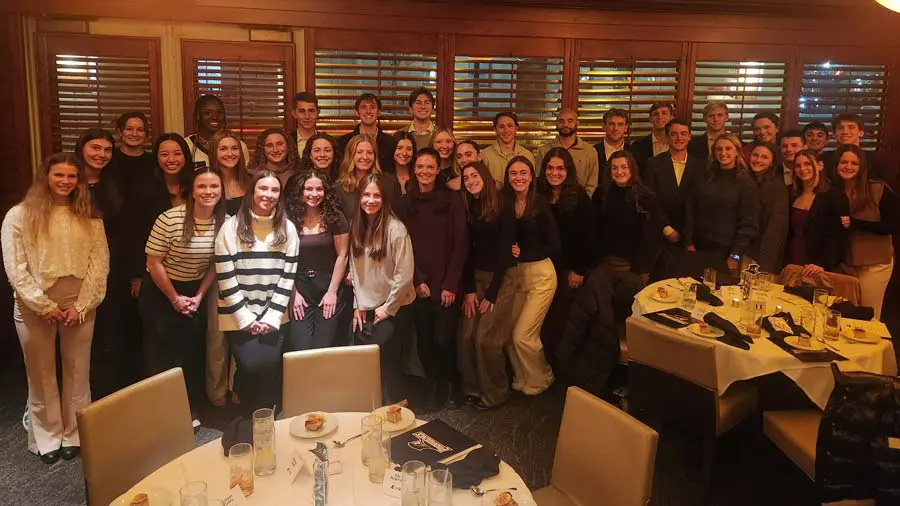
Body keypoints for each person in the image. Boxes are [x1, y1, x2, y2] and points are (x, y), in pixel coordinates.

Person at [2, 153, 109, 464]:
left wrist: (83, 304)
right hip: (34, 302)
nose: (65, 182)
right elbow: (15, 267)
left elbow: (99, 264)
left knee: (78, 371)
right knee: (41, 373)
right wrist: (42, 304)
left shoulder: (89, 215)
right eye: (59, 175)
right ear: (46, 177)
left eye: (71, 177)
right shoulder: (19, 215)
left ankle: (75, 433)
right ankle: (47, 436)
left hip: (79, 301)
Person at [140, 165, 225, 425]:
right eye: (202, 186)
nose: (208, 191)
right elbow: (153, 263)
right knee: (164, 355)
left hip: (195, 291)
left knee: (192, 352)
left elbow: (215, 264)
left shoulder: (225, 222)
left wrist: (198, 296)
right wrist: (174, 298)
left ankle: (191, 409)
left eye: (214, 186)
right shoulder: (170, 218)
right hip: (162, 291)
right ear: (193, 191)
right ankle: (165, 414)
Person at [215, 170, 299, 414]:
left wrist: (272, 316)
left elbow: (288, 276)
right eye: (263, 189)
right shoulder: (229, 228)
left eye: (274, 190)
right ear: (251, 192)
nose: (268, 195)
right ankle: (251, 420)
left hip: (275, 316)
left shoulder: (288, 229)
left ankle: (261, 420)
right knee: (251, 365)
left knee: (270, 366)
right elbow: (226, 277)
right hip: (237, 316)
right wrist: (246, 318)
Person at [401, 148, 468, 410]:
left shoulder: (451, 200)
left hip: (447, 281)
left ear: (437, 169)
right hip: (419, 283)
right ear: (414, 170)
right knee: (425, 340)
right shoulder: (406, 203)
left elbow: (461, 242)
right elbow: (403, 245)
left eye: (430, 167)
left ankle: (450, 384)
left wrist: (451, 283)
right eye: (420, 167)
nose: (425, 172)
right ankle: (432, 386)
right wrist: (417, 281)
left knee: (444, 338)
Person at [125, 133, 194, 385]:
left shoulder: (195, 186)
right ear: (156, 158)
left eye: (177, 153)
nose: (171, 159)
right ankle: (160, 402)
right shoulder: (143, 188)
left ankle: (190, 400)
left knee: (188, 342)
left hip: (191, 275)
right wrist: (136, 275)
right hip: (154, 275)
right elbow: (133, 234)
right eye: (164, 154)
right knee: (158, 342)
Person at [349, 173, 416, 403]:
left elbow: (405, 275)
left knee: (388, 364)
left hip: (392, 308)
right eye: (366, 194)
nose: (371, 200)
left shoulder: (396, 229)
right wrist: (357, 305)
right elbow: (354, 269)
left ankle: (397, 411)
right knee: (368, 365)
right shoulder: (357, 226)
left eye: (376, 195)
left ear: (384, 199)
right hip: (365, 307)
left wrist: (388, 308)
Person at [459, 162, 517, 410]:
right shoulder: (468, 206)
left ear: (485, 176)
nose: (470, 180)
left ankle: (496, 393)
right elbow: (466, 251)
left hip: (501, 278)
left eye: (474, 175)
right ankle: (474, 388)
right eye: (466, 178)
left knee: (486, 338)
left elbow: (506, 251)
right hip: (477, 277)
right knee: (467, 335)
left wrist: (491, 294)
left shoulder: (504, 204)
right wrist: (470, 289)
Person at [504, 156, 559, 396]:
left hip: (541, 276)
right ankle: (522, 375)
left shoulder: (540, 203)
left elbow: (554, 244)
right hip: (516, 277)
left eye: (523, 172)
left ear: (531, 176)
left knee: (523, 335)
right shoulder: (505, 203)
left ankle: (542, 376)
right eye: (513, 173)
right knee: (507, 333)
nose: (518, 177)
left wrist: (524, 253)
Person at [75, 128, 124, 399]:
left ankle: (106, 399)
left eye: (107, 150)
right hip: (75, 268)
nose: (101, 155)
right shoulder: (68, 181)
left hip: (111, 268)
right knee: (78, 339)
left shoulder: (114, 183)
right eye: (95, 148)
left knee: (109, 337)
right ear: (81, 148)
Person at [536, 147, 595, 360]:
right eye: (550, 168)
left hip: (567, 270)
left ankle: (552, 361)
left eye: (560, 168)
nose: (554, 173)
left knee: (556, 319)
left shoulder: (580, 199)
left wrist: (579, 271)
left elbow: (588, 239)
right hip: (540, 266)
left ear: (568, 171)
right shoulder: (538, 193)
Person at [283, 169, 350, 350]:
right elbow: (283, 259)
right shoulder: (289, 219)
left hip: (328, 286)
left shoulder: (336, 218)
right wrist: (293, 293)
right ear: (300, 191)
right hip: (300, 288)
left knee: (323, 346)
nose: (314, 194)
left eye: (319, 189)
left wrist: (332, 292)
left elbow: (342, 255)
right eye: (309, 189)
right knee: (300, 346)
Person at [834, 145, 898, 319]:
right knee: (844, 315)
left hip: (874, 264)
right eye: (844, 162)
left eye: (854, 163)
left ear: (862, 166)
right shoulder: (832, 190)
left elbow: (893, 225)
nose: (848, 166)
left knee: (868, 315)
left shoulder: (878, 189)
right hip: (845, 264)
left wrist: (856, 224)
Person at [685, 134, 760, 276]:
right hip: (698, 245)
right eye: (719, 149)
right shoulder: (704, 176)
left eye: (728, 148)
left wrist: (735, 255)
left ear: (737, 151)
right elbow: (690, 209)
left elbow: (749, 224)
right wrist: (689, 242)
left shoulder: (746, 183)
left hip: (726, 251)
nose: (723, 153)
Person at [642, 119, 705, 249]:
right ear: (667, 137)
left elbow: (700, 203)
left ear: (689, 137)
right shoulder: (653, 164)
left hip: (692, 237)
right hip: (660, 233)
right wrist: (666, 229)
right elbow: (649, 200)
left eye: (683, 134)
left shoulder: (700, 166)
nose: (679, 138)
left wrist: (689, 237)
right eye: (674, 134)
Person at [785, 150, 847, 275]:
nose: (802, 169)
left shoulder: (834, 195)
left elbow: (838, 236)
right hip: (791, 260)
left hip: (817, 265)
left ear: (820, 165)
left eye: (807, 164)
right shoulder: (791, 193)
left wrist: (822, 265)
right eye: (798, 166)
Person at [535, 109, 600, 196]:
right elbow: (540, 181)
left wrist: (584, 202)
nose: (565, 124)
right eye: (561, 121)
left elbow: (592, 184)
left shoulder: (590, 151)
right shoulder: (544, 150)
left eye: (570, 121)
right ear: (556, 123)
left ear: (577, 123)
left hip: (580, 203)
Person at [334, 134, 400, 219]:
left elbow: (395, 217)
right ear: (350, 155)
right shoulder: (338, 189)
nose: (365, 157)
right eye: (359, 152)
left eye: (369, 152)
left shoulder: (389, 183)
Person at [746, 143, 789, 272]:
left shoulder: (777, 187)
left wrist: (764, 265)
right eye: (755, 155)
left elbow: (775, 229)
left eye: (764, 157)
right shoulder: (746, 180)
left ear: (771, 163)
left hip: (762, 255)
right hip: (744, 250)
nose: (758, 160)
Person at [822, 113, 897, 185]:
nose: (845, 132)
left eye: (851, 127)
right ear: (834, 134)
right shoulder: (825, 158)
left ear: (861, 133)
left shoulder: (876, 159)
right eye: (840, 128)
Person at [336, 93, 397, 173]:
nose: (368, 111)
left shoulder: (391, 143)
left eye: (372, 107)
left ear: (378, 112)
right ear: (357, 112)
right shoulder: (344, 142)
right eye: (363, 107)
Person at [184, 94, 249, 166]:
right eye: (207, 113)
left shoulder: (239, 147)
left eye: (219, 113)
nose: (214, 117)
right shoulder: (185, 145)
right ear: (198, 116)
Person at [482, 111, 535, 185]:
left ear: (516, 128)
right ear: (495, 130)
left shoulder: (528, 155)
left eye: (510, 126)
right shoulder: (484, 155)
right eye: (501, 127)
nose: (506, 130)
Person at [208, 130, 251, 216]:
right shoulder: (206, 183)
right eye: (223, 149)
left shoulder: (252, 181)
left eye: (234, 148)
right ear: (214, 153)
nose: (230, 153)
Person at [110, 111, 155, 185]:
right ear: (120, 132)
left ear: (145, 134)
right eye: (129, 129)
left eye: (140, 130)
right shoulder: (109, 159)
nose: (134, 134)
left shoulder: (154, 162)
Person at [630, 102, 674, 171]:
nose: (660, 117)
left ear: (671, 117)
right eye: (656, 114)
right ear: (650, 119)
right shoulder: (638, 147)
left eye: (664, 113)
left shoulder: (679, 144)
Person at [289, 91, 331, 155]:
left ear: (318, 112)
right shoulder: (287, 141)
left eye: (311, 111)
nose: (307, 116)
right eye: (302, 111)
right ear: (294, 114)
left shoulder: (328, 141)